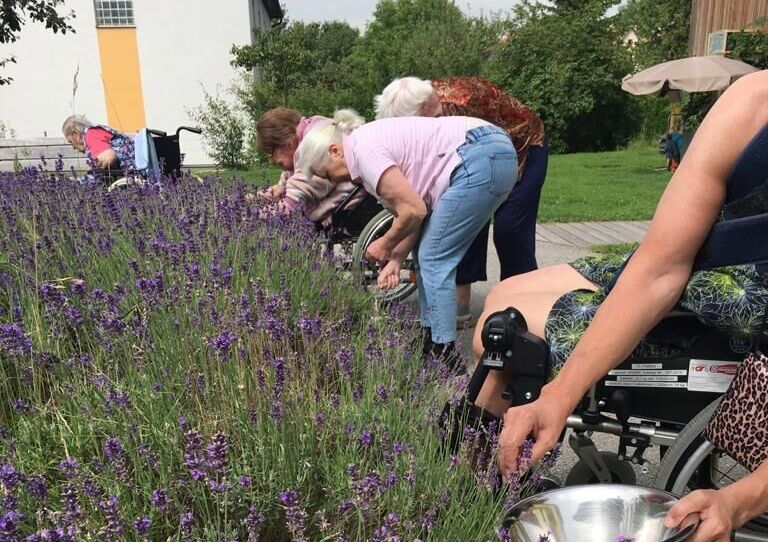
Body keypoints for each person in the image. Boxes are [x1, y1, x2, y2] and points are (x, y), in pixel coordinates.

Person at [469, 70, 768, 542]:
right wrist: (560, 393)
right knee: (505, 294)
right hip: (705, 267)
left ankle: (477, 488)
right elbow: (659, 268)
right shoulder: (751, 101)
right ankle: (482, 477)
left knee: (504, 332)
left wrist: (740, 500)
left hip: (730, 309)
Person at [297, 109, 518, 368]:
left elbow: (413, 211)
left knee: (434, 257)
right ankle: (430, 337)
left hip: (481, 154)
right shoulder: (363, 148)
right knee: (427, 253)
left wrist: (384, 244)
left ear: (334, 151)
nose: (333, 180)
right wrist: (396, 259)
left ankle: (444, 353)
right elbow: (413, 214)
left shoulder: (364, 153)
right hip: (487, 151)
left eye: (326, 173)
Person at [374, 76, 548, 327]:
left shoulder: (462, 102)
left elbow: (486, 154)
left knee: (510, 230)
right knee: (459, 220)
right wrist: (397, 256)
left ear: (422, 109)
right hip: (480, 160)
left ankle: (523, 309)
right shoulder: (422, 104)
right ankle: (459, 303)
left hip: (526, 147)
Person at [254, 107, 365, 227]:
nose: (271, 160)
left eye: (270, 153)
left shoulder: (314, 150)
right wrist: (255, 197)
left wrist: (249, 218)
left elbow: (290, 205)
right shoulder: (310, 133)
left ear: (285, 142)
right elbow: (285, 185)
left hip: (349, 216)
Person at [62, 115, 135, 173]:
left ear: (76, 134)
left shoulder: (91, 135)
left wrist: (93, 173)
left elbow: (108, 158)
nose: (73, 147)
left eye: (71, 142)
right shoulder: (95, 131)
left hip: (132, 171)